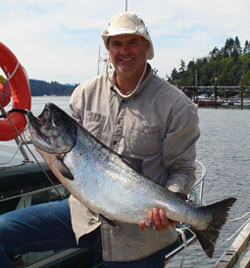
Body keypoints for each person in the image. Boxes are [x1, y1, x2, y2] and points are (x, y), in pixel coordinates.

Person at [0, 12, 200, 268]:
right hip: (82, 216)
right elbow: (69, 160)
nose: (124, 51)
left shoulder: (177, 106)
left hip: (138, 235)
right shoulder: (85, 93)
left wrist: (169, 203)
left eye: (132, 42)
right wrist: (46, 147)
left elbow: (182, 170)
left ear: (147, 47)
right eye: (116, 44)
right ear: (108, 49)